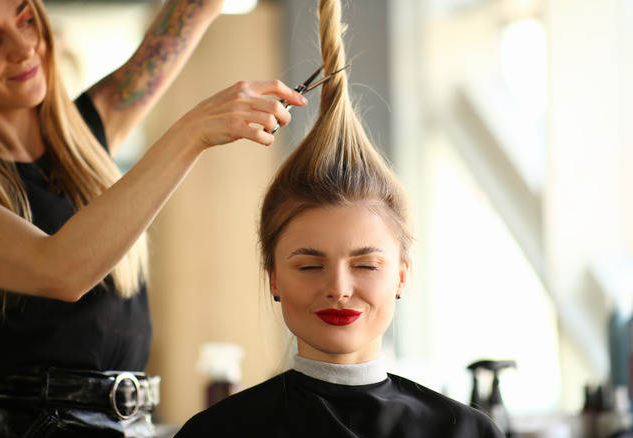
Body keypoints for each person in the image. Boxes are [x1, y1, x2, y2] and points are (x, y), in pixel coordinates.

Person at [0, 0, 307, 435]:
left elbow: (194, 9)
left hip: (133, 423)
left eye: (27, 19)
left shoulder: (84, 135)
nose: (23, 47)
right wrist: (190, 133)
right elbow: (60, 270)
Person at [174, 0, 506, 437]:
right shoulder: (216, 434)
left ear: (403, 276)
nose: (338, 288)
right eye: (309, 265)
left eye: (366, 264)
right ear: (273, 278)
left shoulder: (464, 432)